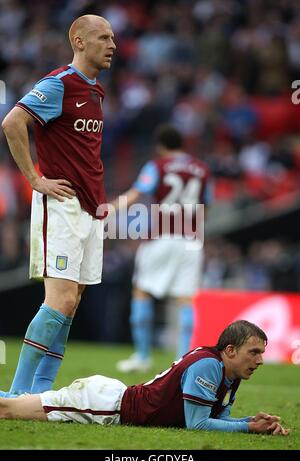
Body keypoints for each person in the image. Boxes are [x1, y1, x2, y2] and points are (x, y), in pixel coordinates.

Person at [0, 15, 116, 397]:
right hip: (62, 206)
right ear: (79, 42)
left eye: (113, 38)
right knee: (60, 298)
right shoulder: (59, 84)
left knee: (74, 301)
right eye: (103, 38)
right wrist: (34, 179)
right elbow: (13, 122)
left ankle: (43, 391)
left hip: (89, 207)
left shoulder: (96, 91)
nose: (112, 45)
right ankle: (16, 395)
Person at [0, 320, 289, 435]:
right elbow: (197, 424)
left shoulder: (232, 371)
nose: (260, 360)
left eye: (262, 353)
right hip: (105, 407)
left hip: (111, 398)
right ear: (230, 350)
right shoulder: (208, 366)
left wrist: (250, 423)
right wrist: (247, 429)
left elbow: (216, 419)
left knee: (18, 405)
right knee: (9, 411)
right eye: (254, 352)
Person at [113, 124, 212, 372]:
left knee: (142, 293)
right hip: (191, 241)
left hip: (161, 237)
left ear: (160, 145)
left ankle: (142, 356)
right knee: (185, 299)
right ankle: (182, 361)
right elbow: (206, 206)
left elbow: (137, 193)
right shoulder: (202, 169)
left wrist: (108, 208)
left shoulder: (156, 166)